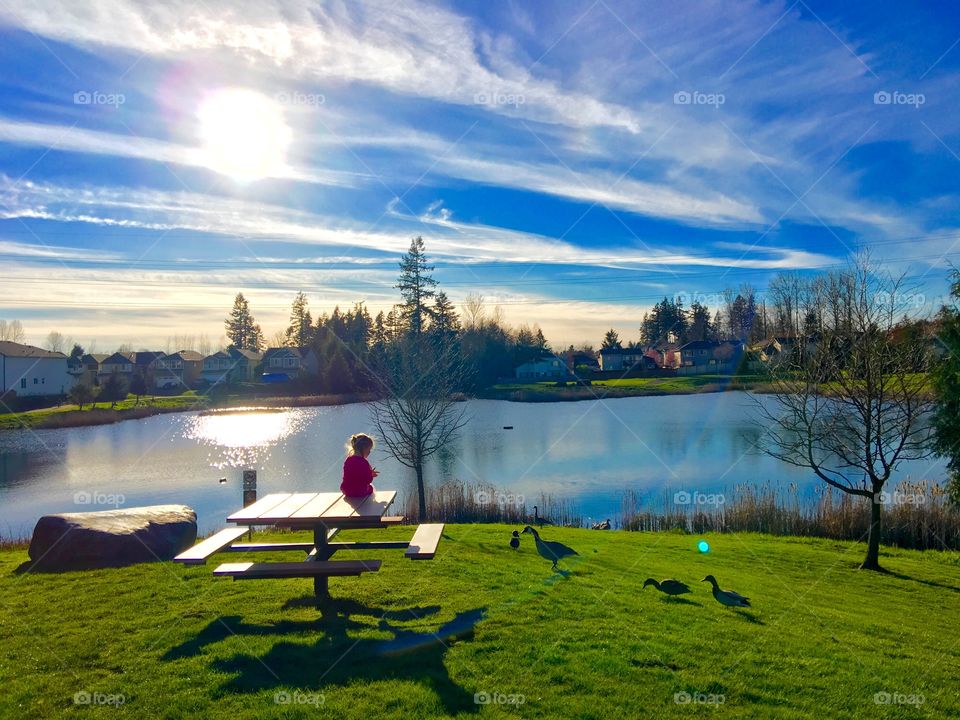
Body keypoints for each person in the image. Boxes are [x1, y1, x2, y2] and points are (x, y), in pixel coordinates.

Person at [341, 433, 379, 498]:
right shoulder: (364, 462)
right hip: (359, 491)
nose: (369, 452)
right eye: (369, 449)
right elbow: (368, 480)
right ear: (363, 448)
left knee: (355, 486)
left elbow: (347, 476)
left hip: (346, 490)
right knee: (371, 487)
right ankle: (369, 505)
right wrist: (371, 474)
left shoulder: (348, 460)